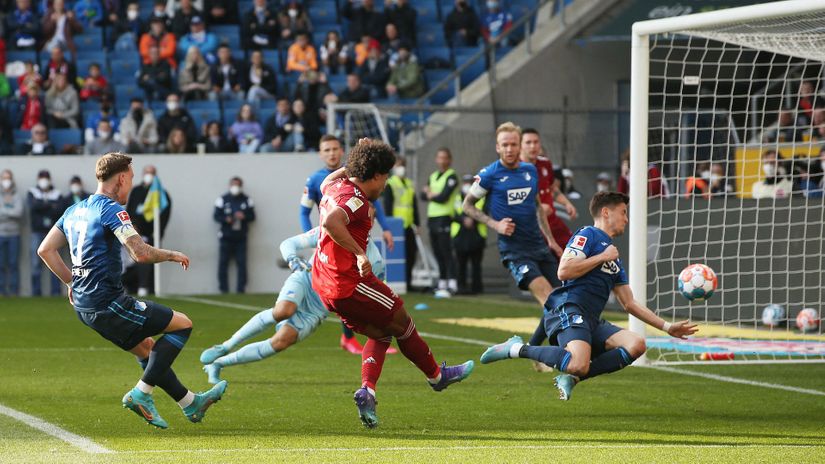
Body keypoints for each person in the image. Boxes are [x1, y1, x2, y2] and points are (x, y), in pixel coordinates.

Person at [36, 152, 226, 428]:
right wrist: (172, 254)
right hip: (108, 303)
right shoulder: (111, 209)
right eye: (132, 178)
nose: (132, 184)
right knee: (183, 325)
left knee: (147, 348)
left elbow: (45, 249)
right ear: (122, 178)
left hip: (85, 307)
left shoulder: (74, 210)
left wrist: (71, 282)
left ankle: (190, 403)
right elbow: (140, 253)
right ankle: (141, 393)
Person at [312, 139, 474, 428]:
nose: (385, 183)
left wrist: (358, 161)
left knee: (382, 330)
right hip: (348, 281)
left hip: (324, 282)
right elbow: (331, 223)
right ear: (375, 175)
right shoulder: (356, 200)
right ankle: (437, 376)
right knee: (402, 321)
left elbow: (328, 181)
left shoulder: (333, 185)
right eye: (385, 176)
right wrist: (360, 254)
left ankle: (368, 392)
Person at [480, 191, 698, 401]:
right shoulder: (588, 234)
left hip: (591, 320)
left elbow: (629, 303)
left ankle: (572, 378)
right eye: (623, 212)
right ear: (606, 212)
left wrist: (667, 327)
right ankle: (515, 348)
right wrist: (601, 257)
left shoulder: (614, 259)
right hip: (570, 309)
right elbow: (564, 271)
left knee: (636, 344)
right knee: (578, 363)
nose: (626, 219)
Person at [201, 225, 384, 383]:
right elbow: (288, 243)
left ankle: (217, 364)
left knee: (280, 342)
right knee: (284, 311)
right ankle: (225, 346)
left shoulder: (375, 262)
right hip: (306, 280)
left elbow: (369, 295)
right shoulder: (331, 230)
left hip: (319, 307)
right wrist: (293, 259)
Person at [299, 135, 396, 355]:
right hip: (334, 240)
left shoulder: (359, 172)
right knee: (343, 289)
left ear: (342, 151)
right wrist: (312, 239)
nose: (331, 153)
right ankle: (362, 336)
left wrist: (386, 227)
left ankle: (365, 337)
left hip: (358, 238)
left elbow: (375, 201)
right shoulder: (315, 180)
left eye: (335, 149)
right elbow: (304, 212)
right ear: (320, 154)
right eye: (327, 150)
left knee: (373, 278)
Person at [462, 122, 561, 312]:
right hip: (515, 251)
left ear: (519, 146)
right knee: (550, 301)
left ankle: (540, 333)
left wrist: (551, 240)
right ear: (497, 147)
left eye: (513, 144)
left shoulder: (530, 171)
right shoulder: (489, 174)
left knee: (562, 300)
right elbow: (467, 205)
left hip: (539, 246)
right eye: (504, 145)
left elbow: (538, 207)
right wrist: (495, 224)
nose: (509, 149)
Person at [520, 128, 575, 256]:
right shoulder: (515, 169)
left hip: (553, 223)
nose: (533, 146)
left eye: (536, 142)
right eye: (528, 142)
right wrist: (536, 210)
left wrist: (566, 203)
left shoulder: (545, 163)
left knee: (573, 252)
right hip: (531, 229)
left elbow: (552, 188)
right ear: (520, 145)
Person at [125, 165, 172, 297]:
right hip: (135, 235)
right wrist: (133, 229)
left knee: (150, 265)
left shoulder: (161, 194)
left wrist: (156, 234)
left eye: (152, 173)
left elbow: (164, 217)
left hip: (152, 237)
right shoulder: (136, 191)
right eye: (147, 172)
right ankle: (132, 288)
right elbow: (129, 212)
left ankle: (149, 289)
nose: (149, 175)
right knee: (133, 263)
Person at [422, 147, 458, 295]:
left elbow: (444, 197)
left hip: (445, 217)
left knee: (446, 251)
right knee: (437, 251)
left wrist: (430, 193)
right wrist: (432, 194)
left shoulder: (452, 176)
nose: (442, 161)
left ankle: (452, 283)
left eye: (445, 158)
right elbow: (422, 195)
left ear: (449, 160)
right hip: (433, 218)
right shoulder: (433, 176)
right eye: (440, 157)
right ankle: (442, 282)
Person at [382, 156, 419, 291]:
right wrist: (389, 225)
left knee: (411, 254)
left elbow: (414, 204)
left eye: (403, 165)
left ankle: (408, 282)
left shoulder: (409, 184)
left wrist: (417, 223)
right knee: (398, 254)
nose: (401, 168)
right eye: (398, 165)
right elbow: (388, 206)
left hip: (408, 224)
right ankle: (398, 281)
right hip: (396, 227)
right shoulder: (391, 184)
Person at [213, 177, 255, 294]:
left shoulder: (247, 200)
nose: (235, 187)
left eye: (238, 185)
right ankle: (223, 289)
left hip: (241, 237)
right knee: (223, 263)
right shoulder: (223, 199)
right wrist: (226, 219)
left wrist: (244, 216)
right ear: (230, 185)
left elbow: (252, 216)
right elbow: (216, 216)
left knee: (241, 263)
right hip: (226, 237)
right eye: (233, 184)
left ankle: (241, 290)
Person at [28, 169, 63, 296]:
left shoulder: (57, 193)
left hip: (53, 233)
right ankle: (36, 292)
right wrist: (50, 205)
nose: (44, 180)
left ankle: (56, 292)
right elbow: (33, 207)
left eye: (46, 178)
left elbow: (59, 210)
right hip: (37, 231)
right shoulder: (33, 192)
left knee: (55, 262)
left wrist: (42, 205)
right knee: (35, 263)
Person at [452, 174, 485, 295]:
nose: (467, 185)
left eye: (470, 183)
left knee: (476, 264)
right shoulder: (457, 198)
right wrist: (463, 220)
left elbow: (485, 212)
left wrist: (473, 220)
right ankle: (461, 287)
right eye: (465, 182)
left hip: (476, 234)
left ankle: (477, 288)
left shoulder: (481, 197)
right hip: (460, 235)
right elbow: (453, 214)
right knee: (461, 263)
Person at [0, 169, 24, 296]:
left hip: (14, 234)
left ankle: (14, 291)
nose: (6, 181)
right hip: (1, 234)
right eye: (4, 178)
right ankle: (2, 291)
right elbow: (13, 213)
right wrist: (10, 211)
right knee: (1, 264)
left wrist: (4, 210)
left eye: (8, 178)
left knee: (13, 264)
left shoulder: (17, 195)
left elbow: (18, 212)